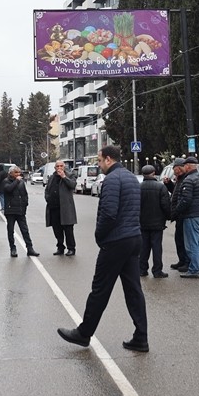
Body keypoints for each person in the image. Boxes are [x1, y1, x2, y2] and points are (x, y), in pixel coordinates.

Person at [57, 145, 149, 353]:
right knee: (134, 290)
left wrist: (99, 236)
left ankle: (84, 333)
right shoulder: (131, 178)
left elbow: (108, 213)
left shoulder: (112, 180)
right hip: (134, 238)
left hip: (116, 241)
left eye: (99, 161)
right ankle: (141, 336)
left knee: (100, 290)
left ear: (108, 159)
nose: (98, 165)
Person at [176, 157, 199, 279]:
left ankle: (194, 269)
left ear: (188, 166)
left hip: (191, 216)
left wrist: (177, 211)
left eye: (184, 166)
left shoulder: (189, 180)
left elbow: (186, 200)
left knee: (192, 244)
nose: (183, 168)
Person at [139, 165, 172, 278]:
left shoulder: (138, 187)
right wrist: (169, 216)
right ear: (153, 173)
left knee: (143, 247)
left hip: (142, 223)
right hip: (157, 223)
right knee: (157, 247)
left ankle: (142, 269)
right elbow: (165, 205)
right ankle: (157, 271)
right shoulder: (161, 187)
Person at [2, 166, 40, 257]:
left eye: (19, 173)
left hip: (20, 210)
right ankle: (13, 248)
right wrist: (16, 181)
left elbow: (24, 194)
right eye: (16, 173)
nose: (18, 175)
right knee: (11, 230)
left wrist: (25, 204)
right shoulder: (6, 181)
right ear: (11, 173)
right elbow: (9, 189)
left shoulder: (21, 182)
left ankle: (30, 248)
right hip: (10, 210)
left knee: (25, 230)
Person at [44, 160, 78, 256]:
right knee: (57, 230)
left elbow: (72, 185)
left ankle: (71, 248)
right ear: (55, 168)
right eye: (57, 166)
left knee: (68, 230)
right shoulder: (52, 177)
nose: (59, 168)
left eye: (61, 166)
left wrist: (64, 177)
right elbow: (47, 190)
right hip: (54, 208)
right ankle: (60, 247)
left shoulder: (70, 175)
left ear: (64, 167)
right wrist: (48, 198)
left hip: (66, 208)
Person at [167, 159, 191, 272]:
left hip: (183, 214)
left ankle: (186, 262)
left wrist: (177, 210)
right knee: (178, 239)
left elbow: (185, 198)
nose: (174, 172)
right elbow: (176, 193)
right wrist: (169, 185)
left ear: (180, 168)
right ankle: (182, 260)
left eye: (175, 170)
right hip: (179, 215)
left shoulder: (185, 179)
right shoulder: (179, 180)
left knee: (183, 239)